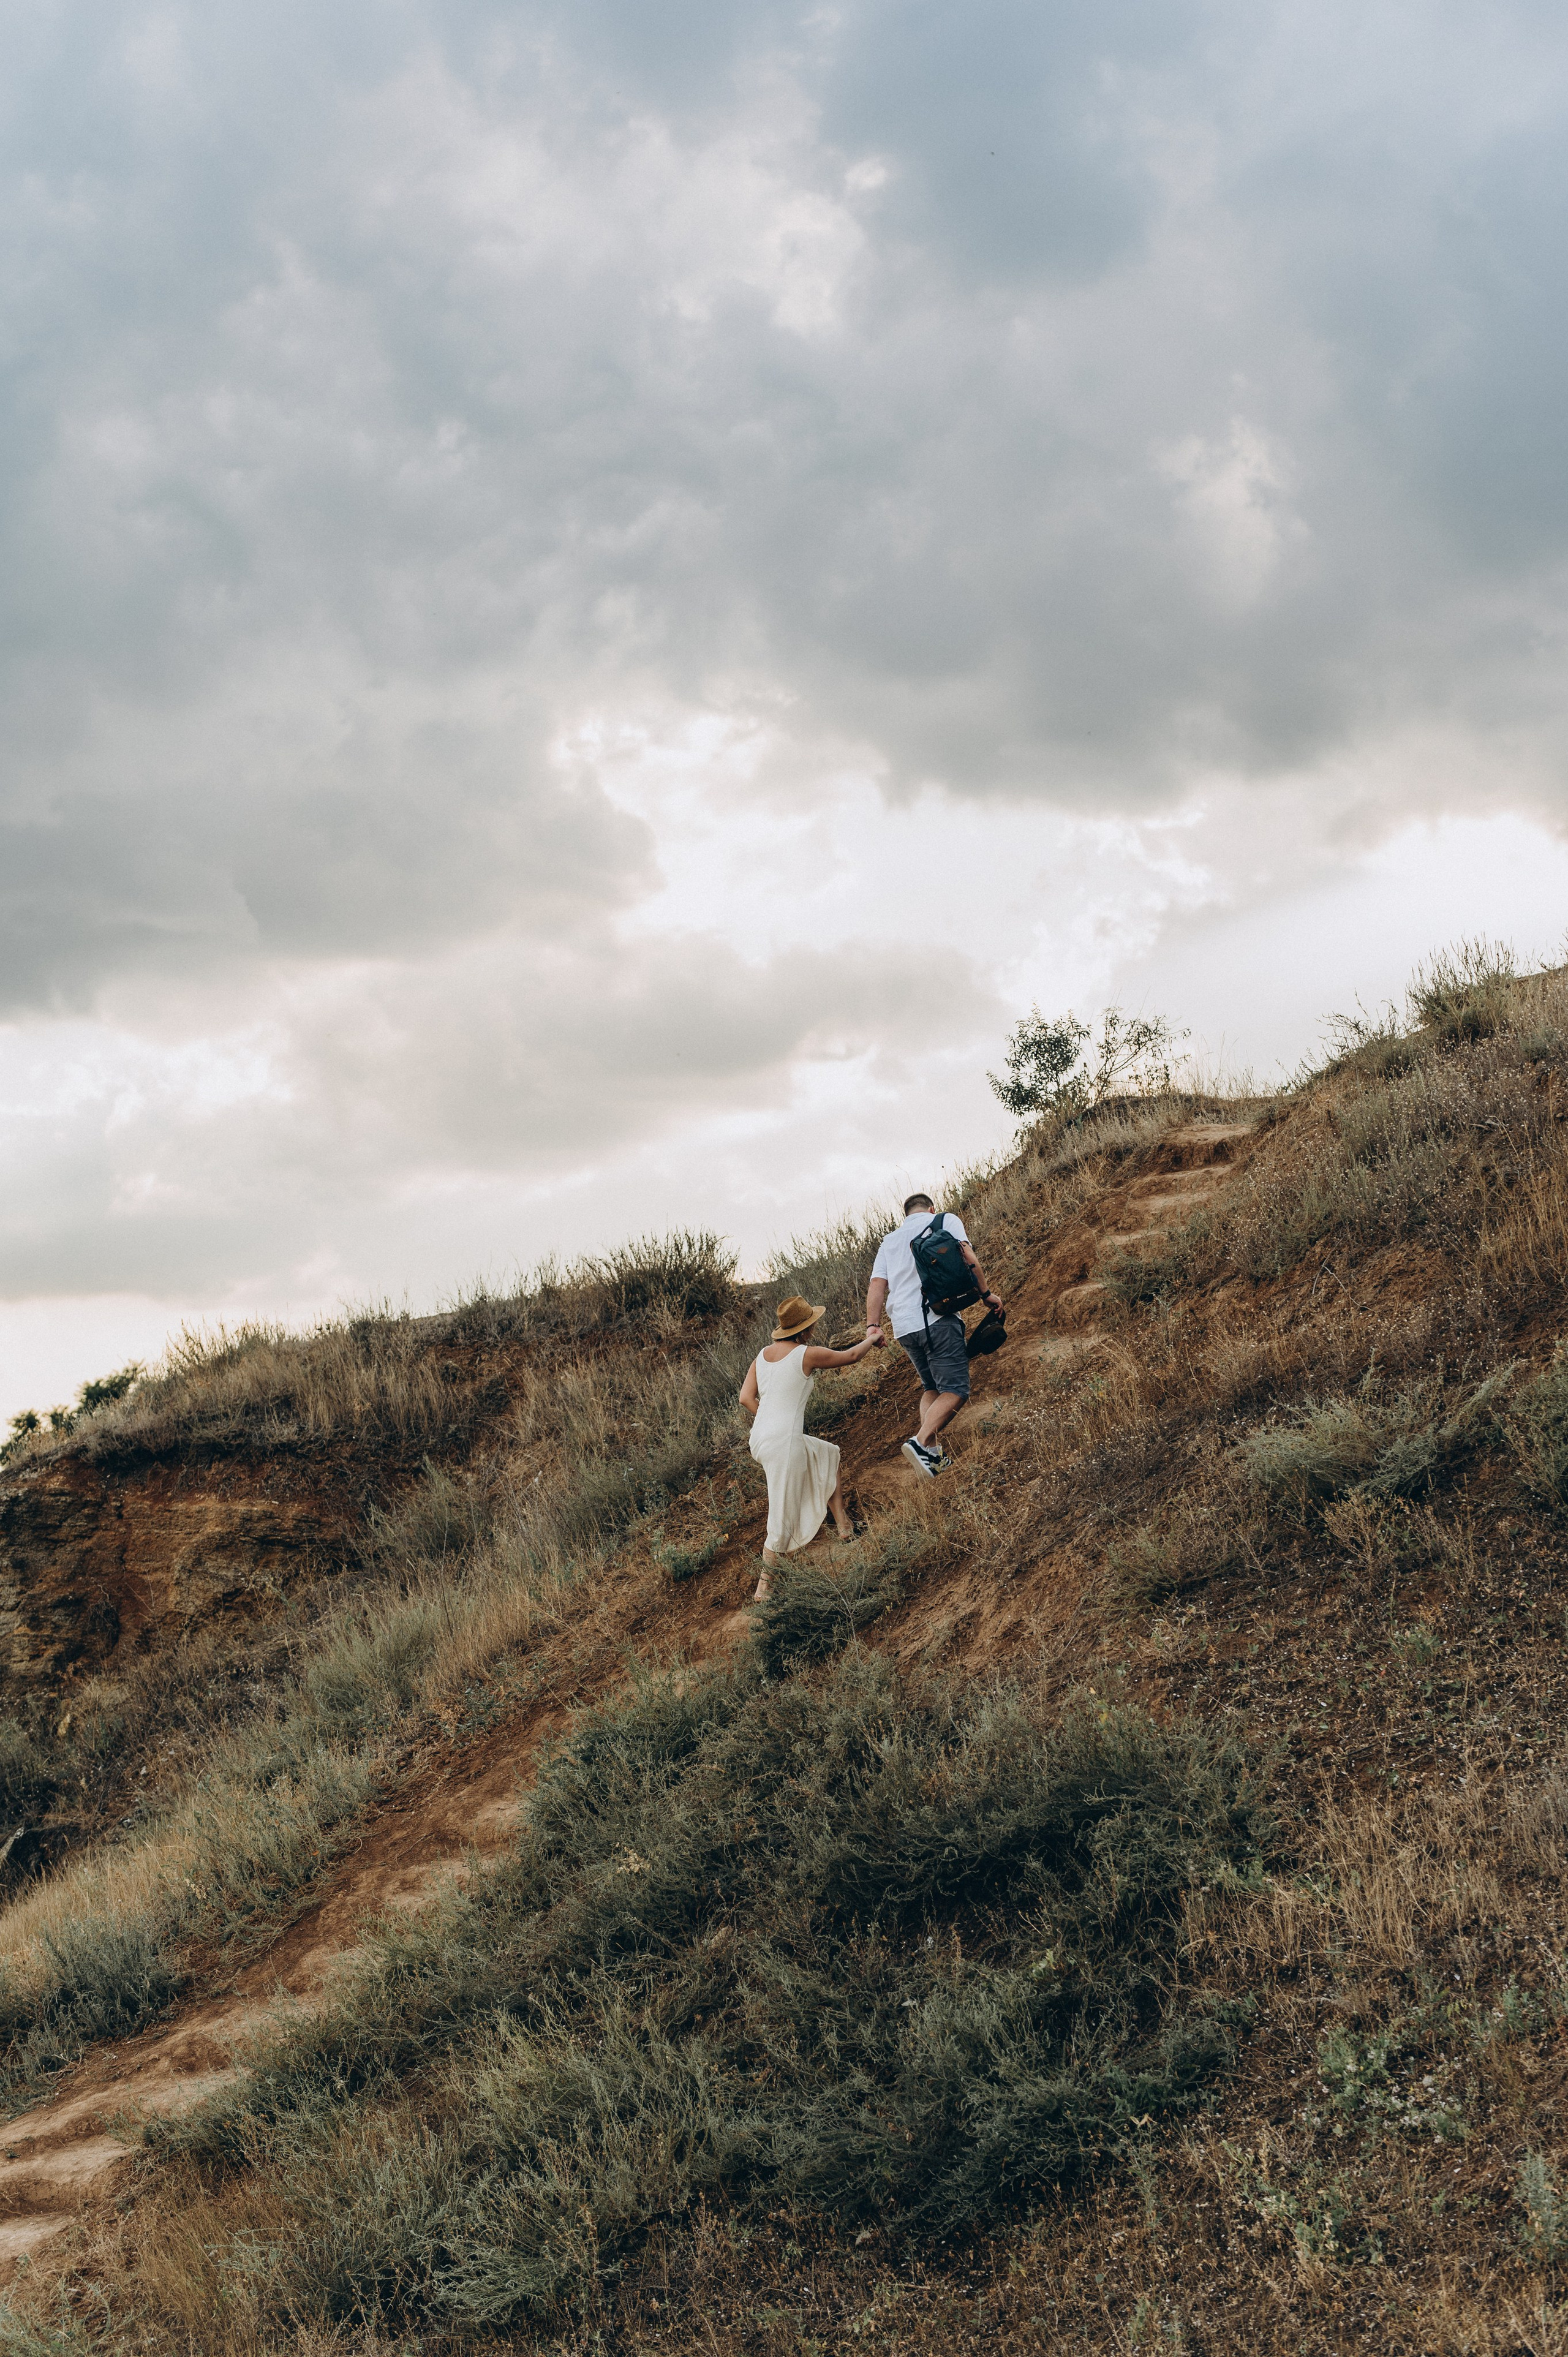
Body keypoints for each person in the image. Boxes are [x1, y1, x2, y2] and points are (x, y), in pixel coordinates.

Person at [739, 1294, 883, 1600]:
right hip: (782, 1443)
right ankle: (764, 1590)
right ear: (805, 1329)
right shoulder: (806, 1354)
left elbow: (746, 1398)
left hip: (762, 1439)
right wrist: (872, 1338)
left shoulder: (762, 1356)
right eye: (812, 1325)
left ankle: (844, 1526)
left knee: (827, 1454)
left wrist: (771, 1422)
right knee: (780, 1515)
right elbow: (852, 1356)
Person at [864, 1193, 1002, 1478]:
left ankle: (933, 1456)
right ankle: (921, 1441)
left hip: (903, 1327)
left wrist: (873, 1326)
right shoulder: (944, 1220)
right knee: (956, 1389)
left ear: (906, 1216)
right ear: (931, 1209)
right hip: (937, 1318)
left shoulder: (889, 1241)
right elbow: (968, 1257)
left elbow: (878, 1285)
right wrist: (986, 1294)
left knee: (932, 1386)